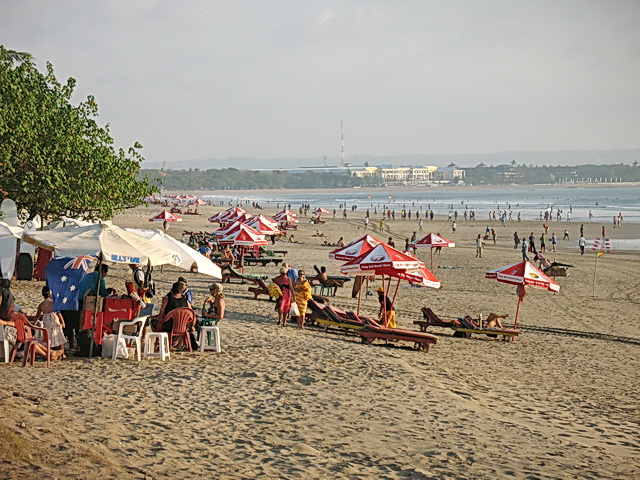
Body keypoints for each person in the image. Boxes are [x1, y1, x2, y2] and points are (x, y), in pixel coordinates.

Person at [34, 286, 67, 358]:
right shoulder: (53, 303)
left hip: (46, 320)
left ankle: (50, 352)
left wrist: (35, 322)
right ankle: (62, 353)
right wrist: (62, 322)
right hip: (53, 318)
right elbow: (58, 313)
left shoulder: (41, 304)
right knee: (59, 335)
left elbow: (37, 315)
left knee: (48, 336)